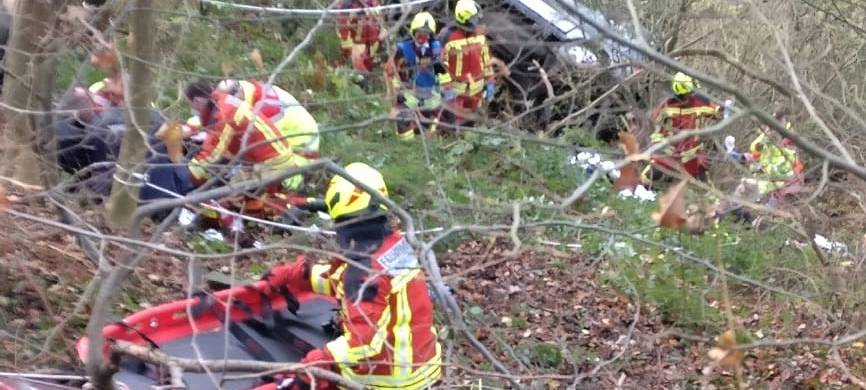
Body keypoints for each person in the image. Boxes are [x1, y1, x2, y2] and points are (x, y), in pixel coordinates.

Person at [261, 162, 442, 390]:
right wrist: (298, 275)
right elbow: (356, 288)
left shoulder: (363, 270)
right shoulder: (394, 245)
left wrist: (318, 362)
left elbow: (362, 344)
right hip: (424, 366)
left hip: (389, 381)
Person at [216, 79, 320, 158]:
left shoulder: (267, 110)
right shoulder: (250, 89)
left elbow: (262, 143)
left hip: (301, 148)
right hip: (292, 134)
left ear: (239, 95)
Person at [384, 12, 449, 139]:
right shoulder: (402, 49)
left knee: (443, 122)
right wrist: (395, 93)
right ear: (414, 32)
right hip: (409, 96)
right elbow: (389, 72)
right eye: (419, 32)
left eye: (426, 33)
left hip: (431, 96)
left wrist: (445, 90)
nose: (422, 36)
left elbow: (444, 71)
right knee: (404, 126)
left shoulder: (436, 48)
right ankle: (406, 143)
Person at [648, 72, 721, 180]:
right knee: (652, 175)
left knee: (700, 179)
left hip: (693, 151)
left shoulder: (699, 102)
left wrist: (723, 108)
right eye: (688, 93)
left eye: (691, 92)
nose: (690, 95)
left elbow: (718, 113)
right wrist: (661, 145)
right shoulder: (667, 106)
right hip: (671, 150)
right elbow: (655, 128)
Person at [437, 0, 496, 131]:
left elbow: (486, 60)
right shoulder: (447, 36)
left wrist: (490, 81)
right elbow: (439, 64)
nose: (478, 21)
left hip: (476, 91)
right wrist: (446, 87)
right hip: (455, 92)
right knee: (450, 126)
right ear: (465, 19)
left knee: (469, 124)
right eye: (475, 18)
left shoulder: (479, 36)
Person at [335, 0, 385, 80]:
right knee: (358, 62)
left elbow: (379, 18)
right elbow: (343, 25)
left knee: (362, 61)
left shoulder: (372, 3)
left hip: (369, 39)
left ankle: (366, 78)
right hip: (359, 40)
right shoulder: (348, 5)